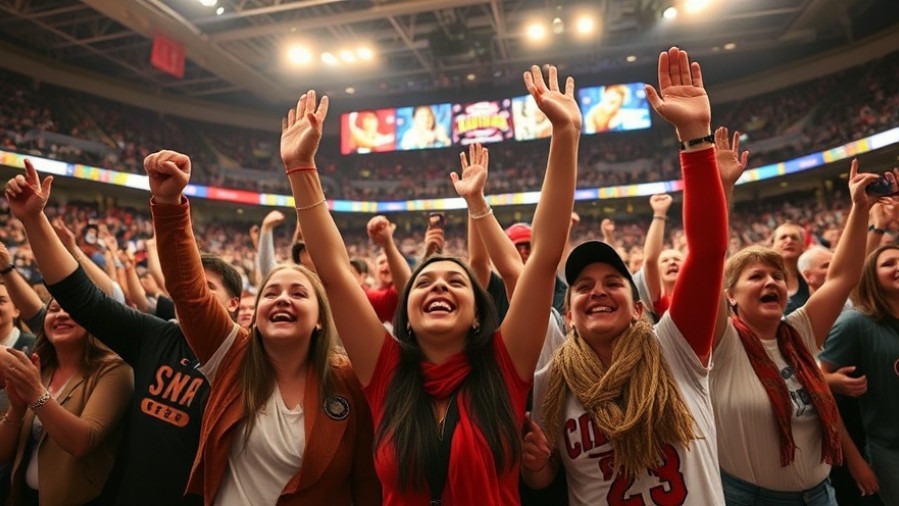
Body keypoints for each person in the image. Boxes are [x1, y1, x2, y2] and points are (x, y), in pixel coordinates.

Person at [284, 61, 580, 504]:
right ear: (406, 312)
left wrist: (565, 135)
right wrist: (301, 168)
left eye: (455, 281)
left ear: (480, 315)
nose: (438, 286)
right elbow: (335, 273)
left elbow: (541, 260)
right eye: (424, 282)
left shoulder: (505, 366)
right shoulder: (384, 371)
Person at [523, 46, 728, 505]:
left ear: (639, 307)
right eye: (582, 286)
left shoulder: (675, 347)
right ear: (568, 314)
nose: (597, 291)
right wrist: (536, 466)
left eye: (613, 282)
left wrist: (696, 137)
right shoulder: (550, 382)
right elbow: (547, 477)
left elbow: (710, 251)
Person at [144, 149, 380, 505]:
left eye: (299, 293)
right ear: (255, 315)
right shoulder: (231, 355)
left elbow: (365, 479)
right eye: (271, 292)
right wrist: (168, 202)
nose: (282, 299)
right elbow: (188, 292)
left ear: (320, 318)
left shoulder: (347, 379)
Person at [4, 160, 236, 505]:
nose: (193, 298)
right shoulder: (155, 335)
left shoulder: (244, 358)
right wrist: (34, 220)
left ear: (234, 306)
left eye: (208, 290)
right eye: (190, 288)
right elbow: (80, 297)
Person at [712, 158, 884, 504]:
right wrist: (723, 189)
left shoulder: (799, 331)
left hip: (820, 495)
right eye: (756, 276)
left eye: (776, 275)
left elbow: (842, 277)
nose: (771, 281)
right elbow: (710, 261)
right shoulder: (721, 342)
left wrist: (860, 208)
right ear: (730, 295)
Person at [820, 243, 899, 505]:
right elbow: (816, 385)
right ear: (871, 277)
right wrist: (856, 462)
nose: (898, 267)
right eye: (888, 263)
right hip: (889, 449)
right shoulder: (855, 323)